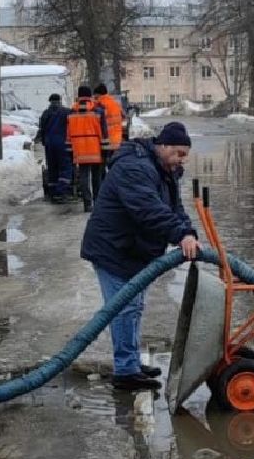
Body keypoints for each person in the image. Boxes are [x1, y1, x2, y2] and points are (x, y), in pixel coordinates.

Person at [80, 121, 199, 391]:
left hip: (133, 249)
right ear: (163, 145)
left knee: (134, 307)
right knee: (125, 308)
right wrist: (179, 235)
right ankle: (125, 372)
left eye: (185, 156)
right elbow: (149, 210)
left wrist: (188, 231)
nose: (182, 161)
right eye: (178, 153)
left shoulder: (164, 170)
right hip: (113, 248)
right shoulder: (135, 168)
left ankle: (131, 362)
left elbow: (174, 208)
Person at [66, 84, 108, 212]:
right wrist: (105, 150)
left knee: (84, 176)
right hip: (95, 149)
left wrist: (70, 150)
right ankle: (97, 201)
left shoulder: (72, 112)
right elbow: (104, 133)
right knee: (97, 177)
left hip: (80, 149)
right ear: (90, 96)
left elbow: (68, 134)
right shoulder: (98, 110)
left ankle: (87, 204)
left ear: (78, 96)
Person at [37, 93, 72, 202]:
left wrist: (44, 142)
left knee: (52, 167)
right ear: (59, 101)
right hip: (63, 144)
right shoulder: (66, 112)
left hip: (49, 144)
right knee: (65, 167)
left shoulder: (45, 114)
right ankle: (60, 192)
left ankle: (52, 192)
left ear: (50, 101)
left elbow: (42, 129)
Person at [93, 82, 126, 163]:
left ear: (98, 94)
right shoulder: (115, 103)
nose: (94, 97)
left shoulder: (99, 104)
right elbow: (124, 116)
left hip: (105, 139)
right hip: (117, 139)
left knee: (103, 164)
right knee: (114, 162)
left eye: (95, 95)